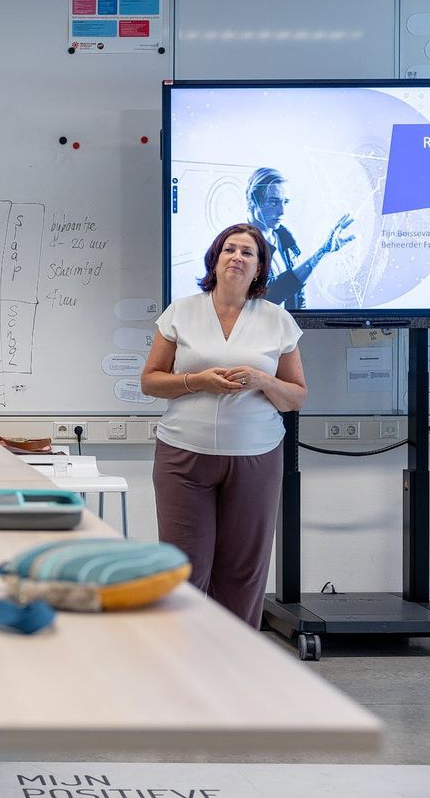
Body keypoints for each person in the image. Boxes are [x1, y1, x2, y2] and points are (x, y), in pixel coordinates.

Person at [141, 223, 308, 628]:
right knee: (184, 570)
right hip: (184, 456)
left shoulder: (277, 320)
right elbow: (150, 382)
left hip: (256, 457)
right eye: (229, 249)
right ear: (214, 261)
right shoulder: (182, 311)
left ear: (259, 268)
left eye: (247, 253)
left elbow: (296, 396)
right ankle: (181, 666)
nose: (237, 257)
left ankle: (236, 670)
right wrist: (199, 380)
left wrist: (262, 379)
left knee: (242, 573)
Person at [246, 166, 355, 309]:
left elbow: (297, 297)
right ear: (252, 201)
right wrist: (321, 252)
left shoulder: (285, 240)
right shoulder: (238, 247)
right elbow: (266, 298)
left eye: (285, 202)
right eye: (273, 202)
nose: (282, 211)